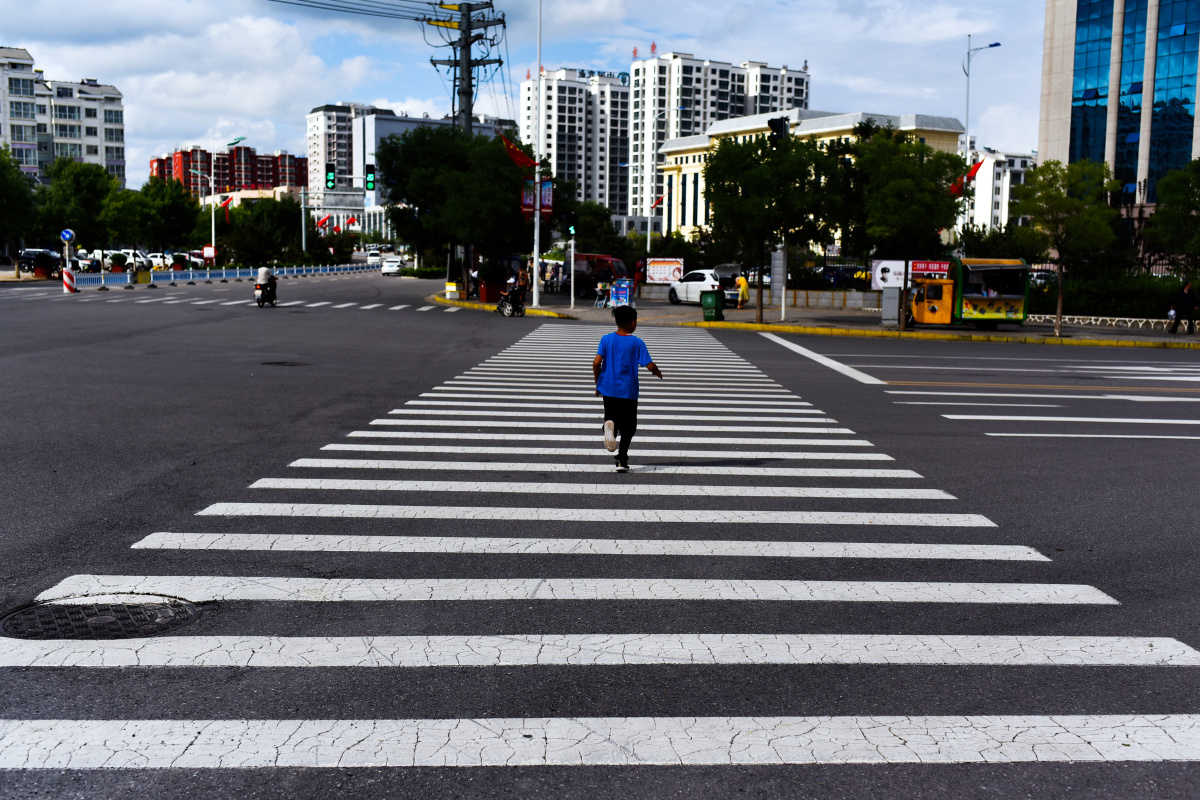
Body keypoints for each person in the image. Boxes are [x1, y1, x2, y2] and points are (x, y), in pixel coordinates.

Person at [592, 306, 663, 473]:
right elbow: (650, 365)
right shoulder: (637, 342)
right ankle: (621, 458)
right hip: (628, 391)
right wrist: (658, 372)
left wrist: (598, 383)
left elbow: (596, 363)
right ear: (632, 323)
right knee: (629, 426)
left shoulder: (606, 339)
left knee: (612, 418)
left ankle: (608, 429)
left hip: (608, 389)